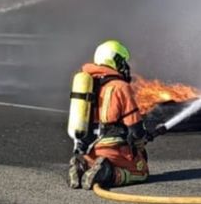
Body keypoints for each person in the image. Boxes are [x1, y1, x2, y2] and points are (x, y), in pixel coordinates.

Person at [68, 39, 161, 190]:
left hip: (88, 149)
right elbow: (136, 130)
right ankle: (107, 172)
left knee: (94, 160)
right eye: (123, 61)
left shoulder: (88, 84)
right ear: (115, 61)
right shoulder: (120, 87)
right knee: (141, 171)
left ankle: (82, 165)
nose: (125, 66)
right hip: (111, 150)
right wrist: (143, 137)